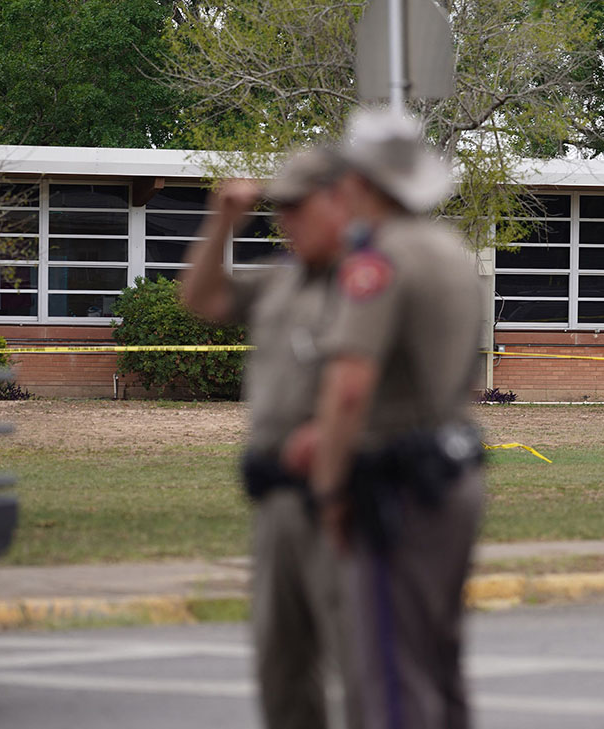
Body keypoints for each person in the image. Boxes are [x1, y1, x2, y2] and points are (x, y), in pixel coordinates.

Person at [301, 110, 487, 729]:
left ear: (360, 182)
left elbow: (349, 387)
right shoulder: (454, 253)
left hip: (398, 485)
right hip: (454, 473)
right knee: (439, 660)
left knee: (391, 674)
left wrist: (329, 490)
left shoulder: (378, 261)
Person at [178, 147, 354, 729]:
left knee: (358, 660)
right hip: (277, 496)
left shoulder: (371, 281)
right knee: (282, 661)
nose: (286, 222)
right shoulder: (282, 281)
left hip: (343, 498)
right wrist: (222, 221)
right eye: (280, 209)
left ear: (340, 201)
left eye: (299, 208)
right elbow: (201, 298)